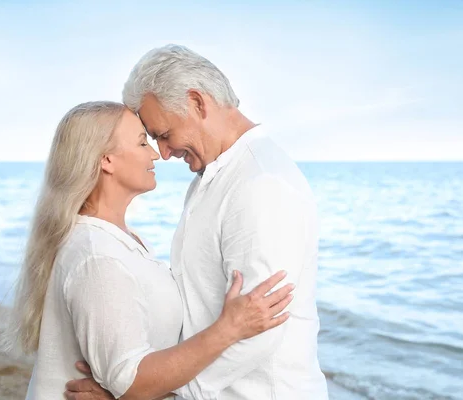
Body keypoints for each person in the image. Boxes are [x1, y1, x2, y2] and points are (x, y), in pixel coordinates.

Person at [66, 45, 329, 399]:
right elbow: (198, 305)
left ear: (197, 103)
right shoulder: (212, 179)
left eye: (162, 133)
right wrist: (136, 375)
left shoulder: (261, 183)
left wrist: (153, 393)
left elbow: (262, 328)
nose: (164, 152)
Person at [3, 101, 294, 400]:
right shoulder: (97, 256)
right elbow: (131, 383)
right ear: (106, 160)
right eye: (143, 142)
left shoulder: (121, 240)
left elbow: (127, 379)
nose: (156, 153)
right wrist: (228, 329)